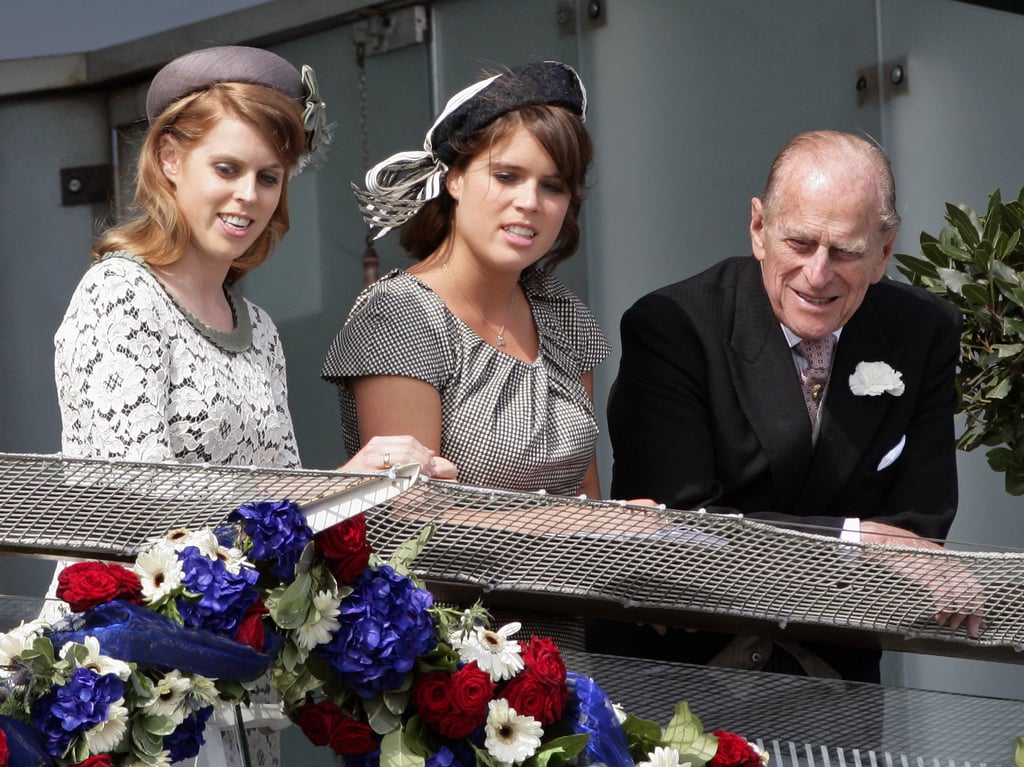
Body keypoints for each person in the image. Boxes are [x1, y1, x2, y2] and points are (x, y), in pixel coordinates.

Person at [52, 45, 448, 767]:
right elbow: (133, 508)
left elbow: (278, 529)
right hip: (131, 685)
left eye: (268, 176)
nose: (249, 196)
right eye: (227, 169)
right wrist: (341, 484)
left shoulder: (258, 327)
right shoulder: (120, 294)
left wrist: (368, 499)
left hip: (230, 675)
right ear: (170, 158)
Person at [591, 130, 977, 683]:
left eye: (845, 251)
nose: (818, 275)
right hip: (682, 680)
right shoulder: (675, 327)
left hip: (837, 682)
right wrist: (856, 537)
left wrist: (757, 540)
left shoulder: (922, 332)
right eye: (800, 243)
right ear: (758, 228)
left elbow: (920, 532)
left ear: (884, 250)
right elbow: (680, 533)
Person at [321, 61, 610, 498]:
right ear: (453, 178)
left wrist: (625, 528)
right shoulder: (400, 314)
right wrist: (587, 528)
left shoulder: (561, 310)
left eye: (553, 186)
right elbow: (407, 515)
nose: (529, 202)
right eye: (506, 176)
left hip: (573, 565)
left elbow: (587, 494)